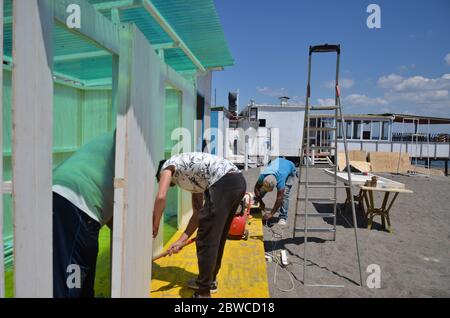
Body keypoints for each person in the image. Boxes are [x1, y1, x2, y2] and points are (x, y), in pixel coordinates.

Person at [153, 152, 246, 298]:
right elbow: (198, 213)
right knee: (216, 237)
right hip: (237, 182)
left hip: (224, 182)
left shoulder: (166, 166)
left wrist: (155, 224)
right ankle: (209, 281)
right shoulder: (193, 176)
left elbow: (160, 196)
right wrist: (180, 241)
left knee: (206, 240)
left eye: (161, 180)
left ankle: (203, 292)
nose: (167, 184)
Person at [52, 132, 115, 298]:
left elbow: (113, 216)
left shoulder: (108, 141)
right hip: (76, 201)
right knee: (71, 282)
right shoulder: (129, 144)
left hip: (57, 192)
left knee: (74, 270)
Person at [254, 157, 297, 226]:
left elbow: (280, 198)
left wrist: (271, 214)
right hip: (279, 163)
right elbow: (256, 188)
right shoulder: (262, 175)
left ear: (276, 183)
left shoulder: (281, 180)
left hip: (290, 168)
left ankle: (283, 217)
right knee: (262, 190)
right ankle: (256, 205)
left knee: (285, 194)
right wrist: (260, 201)